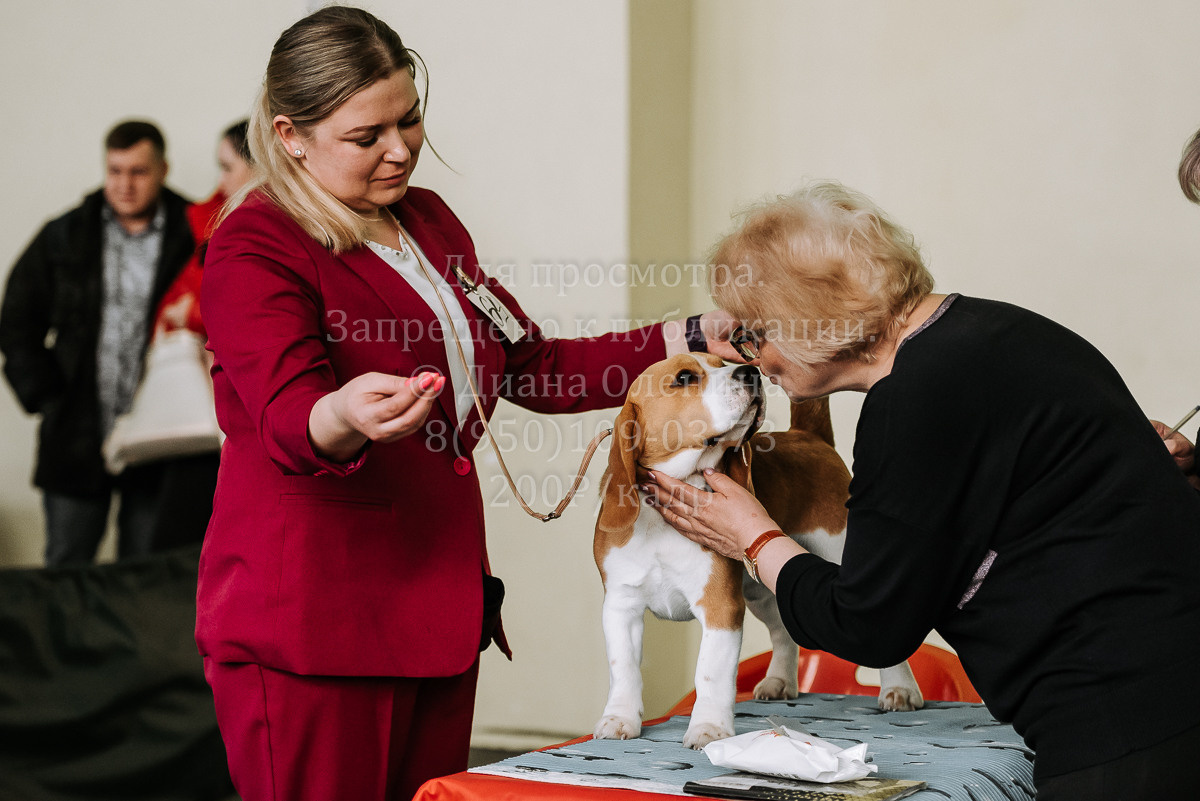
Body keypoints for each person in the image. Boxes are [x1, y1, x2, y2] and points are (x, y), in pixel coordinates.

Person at [192, 7, 737, 800]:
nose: (400, 147)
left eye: (409, 119)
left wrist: (682, 337)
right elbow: (286, 413)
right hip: (315, 621)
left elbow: (532, 363)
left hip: (436, 607)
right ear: (290, 135)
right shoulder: (255, 244)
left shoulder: (428, 222)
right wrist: (342, 414)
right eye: (366, 134)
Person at [643, 181, 1200, 800]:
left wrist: (753, 534)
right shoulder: (1007, 329)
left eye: (753, 334)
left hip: (1124, 725)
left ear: (806, 312)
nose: (751, 358)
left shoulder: (913, 399)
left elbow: (870, 626)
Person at [0, 120, 194, 566]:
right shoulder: (66, 233)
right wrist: (47, 396)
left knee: (149, 572)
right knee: (67, 567)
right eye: (115, 171)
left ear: (163, 169)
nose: (124, 185)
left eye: (138, 172)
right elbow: (16, 319)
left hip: (161, 436)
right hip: (77, 433)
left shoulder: (193, 232)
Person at [145, 120, 255, 553]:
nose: (220, 179)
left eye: (227, 167)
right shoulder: (211, 220)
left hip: (243, 408)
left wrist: (193, 312)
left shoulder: (256, 226)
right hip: (205, 404)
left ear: (258, 164)